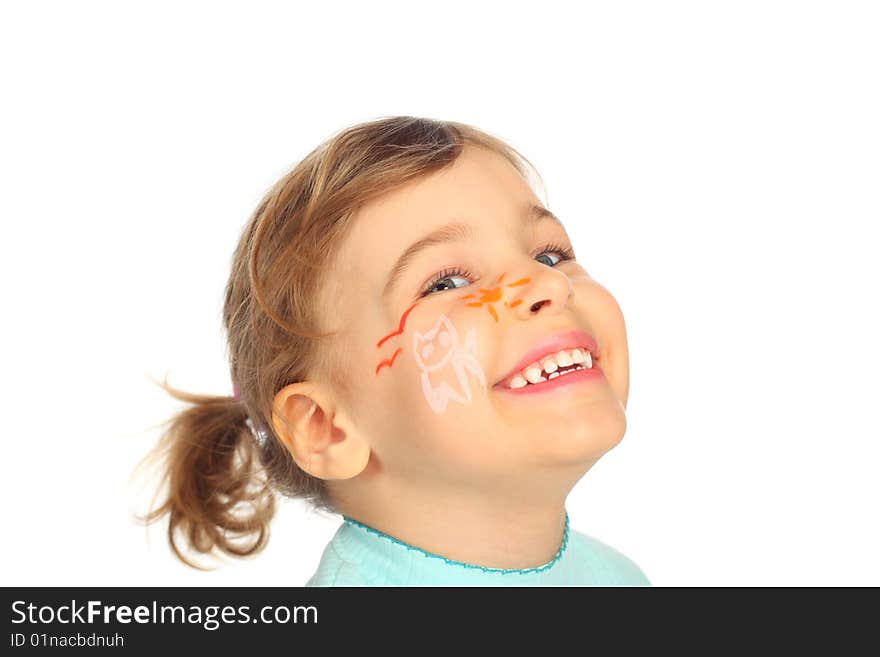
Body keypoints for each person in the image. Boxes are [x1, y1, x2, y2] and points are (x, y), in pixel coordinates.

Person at [138, 116, 651, 586]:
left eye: (549, 254)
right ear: (326, 427)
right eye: (446, 281)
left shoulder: (618, 579)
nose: (547, 284)